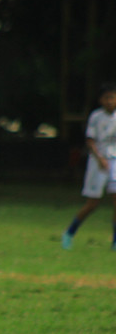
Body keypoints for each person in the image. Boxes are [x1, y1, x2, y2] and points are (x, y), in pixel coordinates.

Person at [62, 83, 116, 250]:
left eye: (113, 97)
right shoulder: (96, 117)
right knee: (93, 203)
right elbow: (90, 140)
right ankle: (69, 232)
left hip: (114, 161)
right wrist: (99, 158)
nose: (110, 101)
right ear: (100, 100)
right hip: (97, 162)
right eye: (107, 97)